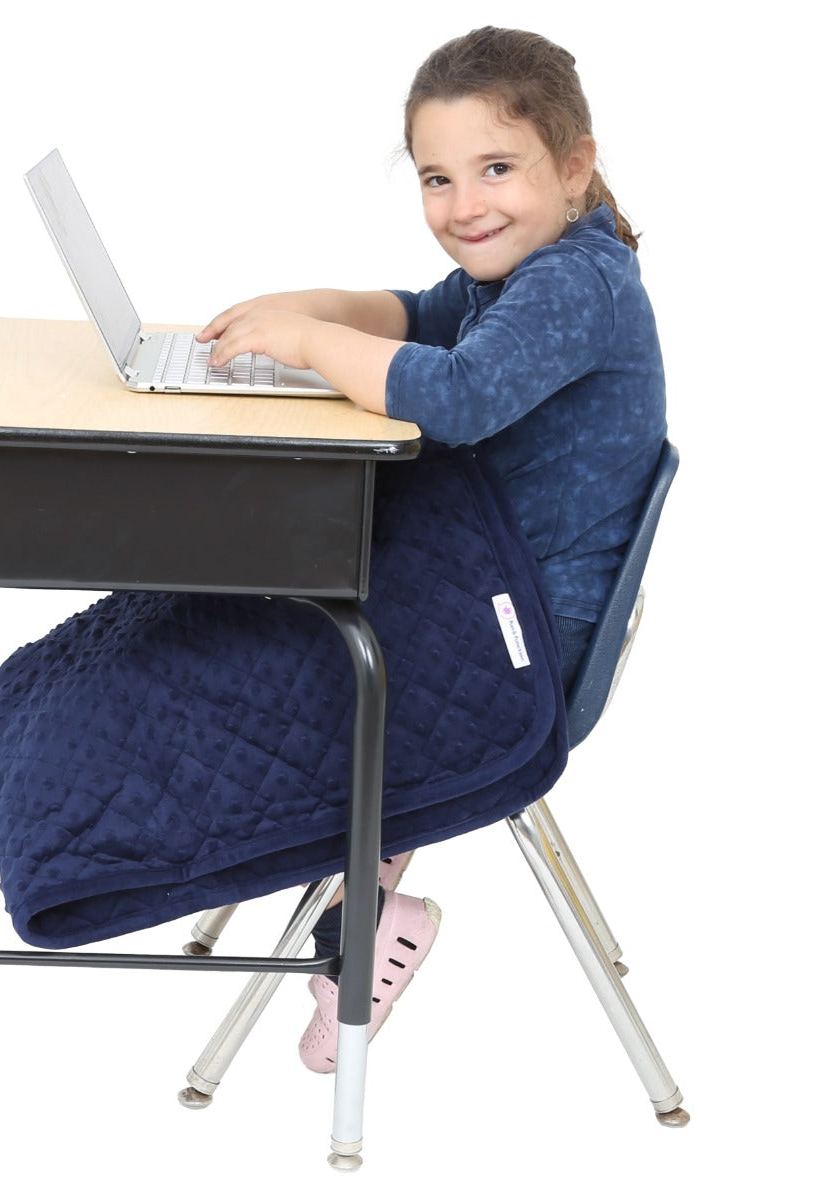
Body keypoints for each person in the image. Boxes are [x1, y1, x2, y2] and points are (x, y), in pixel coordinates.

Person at [196, 26, 667, 1072]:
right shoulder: (521, 272)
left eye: (497, 169)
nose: (465, 207)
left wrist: (314, 347)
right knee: (290, 609)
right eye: (438, 179)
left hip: (524, 642)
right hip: (491, 592)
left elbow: (454, 398)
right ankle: (338, 876)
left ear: (574, 164)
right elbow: (417, 314)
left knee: (304, 660)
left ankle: (369, 920)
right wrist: (303, 310)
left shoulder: (574, 285)